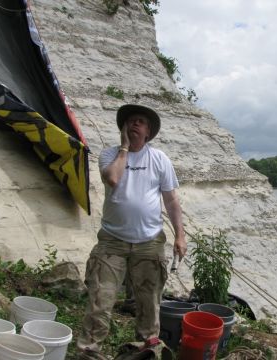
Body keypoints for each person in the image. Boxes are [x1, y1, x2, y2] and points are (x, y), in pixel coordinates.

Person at [77, 104, 187, 359]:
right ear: (123, 129)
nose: (134, 124)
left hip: (149, 242)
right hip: (112, 242)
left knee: (149, 303)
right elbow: (113, 179)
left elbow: (171, 201)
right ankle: (89, 352)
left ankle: (148, 349)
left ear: (148, 131)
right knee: (100, 300)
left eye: (140, 122)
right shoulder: (110, 155)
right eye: (130, 121)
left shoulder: (159, 159)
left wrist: (180, 235)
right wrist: (125, 148)